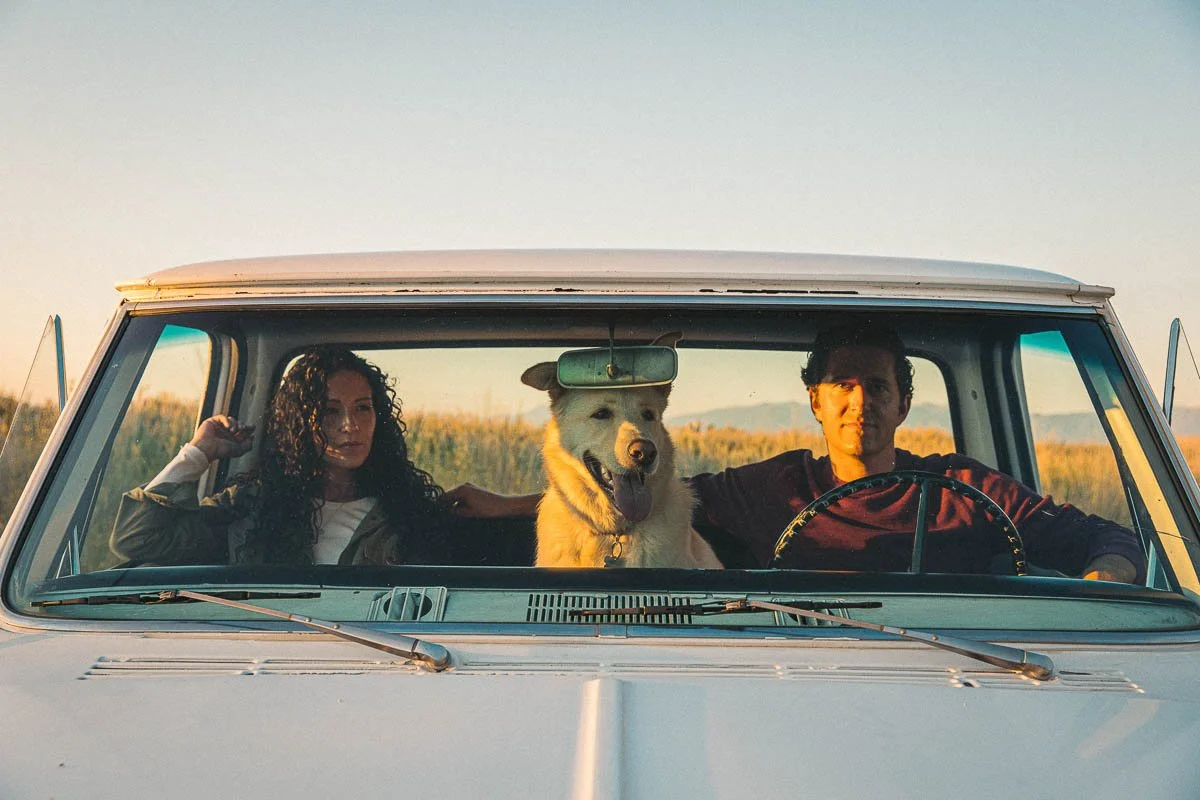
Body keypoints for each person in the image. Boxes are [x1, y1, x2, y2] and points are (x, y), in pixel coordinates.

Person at [446, 323, 1145, 582]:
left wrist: (1105, 576)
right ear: (815, 401)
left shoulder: (968, 486)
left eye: (877, 387)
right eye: (842, 386)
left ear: (904, 403)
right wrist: (509, 504)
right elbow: (647, 493)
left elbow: (1103, 535)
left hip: (959, 669)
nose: (859, 403)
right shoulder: (774, 485)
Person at [111, 347, 449, 566]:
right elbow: (138, 538)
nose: (350, 425)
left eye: (363, 408)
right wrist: (199, 452)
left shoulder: (408, 511)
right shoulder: (252, 506)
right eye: (329, 412)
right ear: (300, 423)